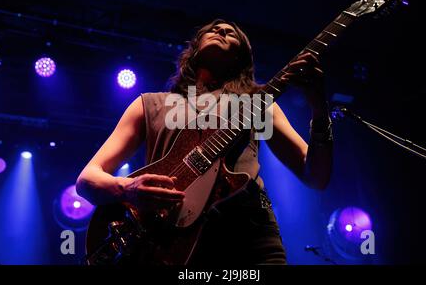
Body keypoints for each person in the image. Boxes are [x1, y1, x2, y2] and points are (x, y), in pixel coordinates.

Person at [76, 19, 333, 265]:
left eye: (231, 33)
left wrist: (320, 110)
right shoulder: (149, 104)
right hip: (168, 242)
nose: (221, 30)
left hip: (248, 236)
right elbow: (87, 180)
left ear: (240, 58)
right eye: (214, 29)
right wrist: (128, 189)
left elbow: (316, 177)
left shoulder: (259, 104)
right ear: (194, 49)